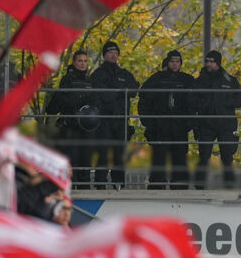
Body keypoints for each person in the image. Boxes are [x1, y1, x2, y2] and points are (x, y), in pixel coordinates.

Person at [139, 49, 195, 189]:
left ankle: (180, 187)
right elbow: (144, 98)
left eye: (177, 61)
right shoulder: (157, 79)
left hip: (179, 125)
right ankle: (157, 186)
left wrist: (190, 122)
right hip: (160, 125)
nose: (175, 64)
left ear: (181, 63)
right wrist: (149, 123)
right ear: (167, 62)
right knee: (159, 157)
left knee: (180, 157)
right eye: (172, 61)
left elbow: (197, 101)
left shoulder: (187, 80)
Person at [193, 50, 241, 189]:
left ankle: (229, 186)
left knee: (227, 157)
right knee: (204, 156)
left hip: (225, 124)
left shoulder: (230, 80)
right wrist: (204, 106)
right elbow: (192, 100)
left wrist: (226, 102)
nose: (208, 64)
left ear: (218, 63)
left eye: (212, 61)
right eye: (207, 61)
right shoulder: (200, 81)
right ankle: (199, 187)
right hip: (206, 123)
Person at [89, 40, 138, 188]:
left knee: (119, 154)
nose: (113, 55)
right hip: (104, 120)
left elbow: (134, 90)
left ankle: (119, 183)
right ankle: (100, 183)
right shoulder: (98, 74)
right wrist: (120, 90)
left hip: (121, 119)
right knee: (103, 153)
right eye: (110, 52)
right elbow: (103, 95)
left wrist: (114, 90)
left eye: (116, 52)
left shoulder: (124, 74)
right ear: (104, 55)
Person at [45, 50, 98, 188]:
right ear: (74, 62)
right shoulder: (67, 79)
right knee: (71, 157)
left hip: (86, 126)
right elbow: (62, 100)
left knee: (86, 158)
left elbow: (95, 101)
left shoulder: (89, 80)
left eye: (85, 61)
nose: (83, 64)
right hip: (70, 125)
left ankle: (85, 187)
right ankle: (70, 187)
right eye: (80, 61)